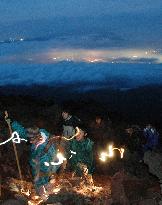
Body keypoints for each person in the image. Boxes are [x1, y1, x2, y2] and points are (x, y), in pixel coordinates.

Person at [5, 119, 61, 199]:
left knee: (46, 191)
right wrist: (12, 123)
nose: (30, 142)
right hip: (40, 168)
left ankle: (48, 197)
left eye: (32, 140)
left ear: (38, 137)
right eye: (30, 140)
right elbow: (23, 132)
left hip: (46, 173)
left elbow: (47, 168)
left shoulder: (45, 150)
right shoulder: (37, 132)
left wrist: (42, 182)